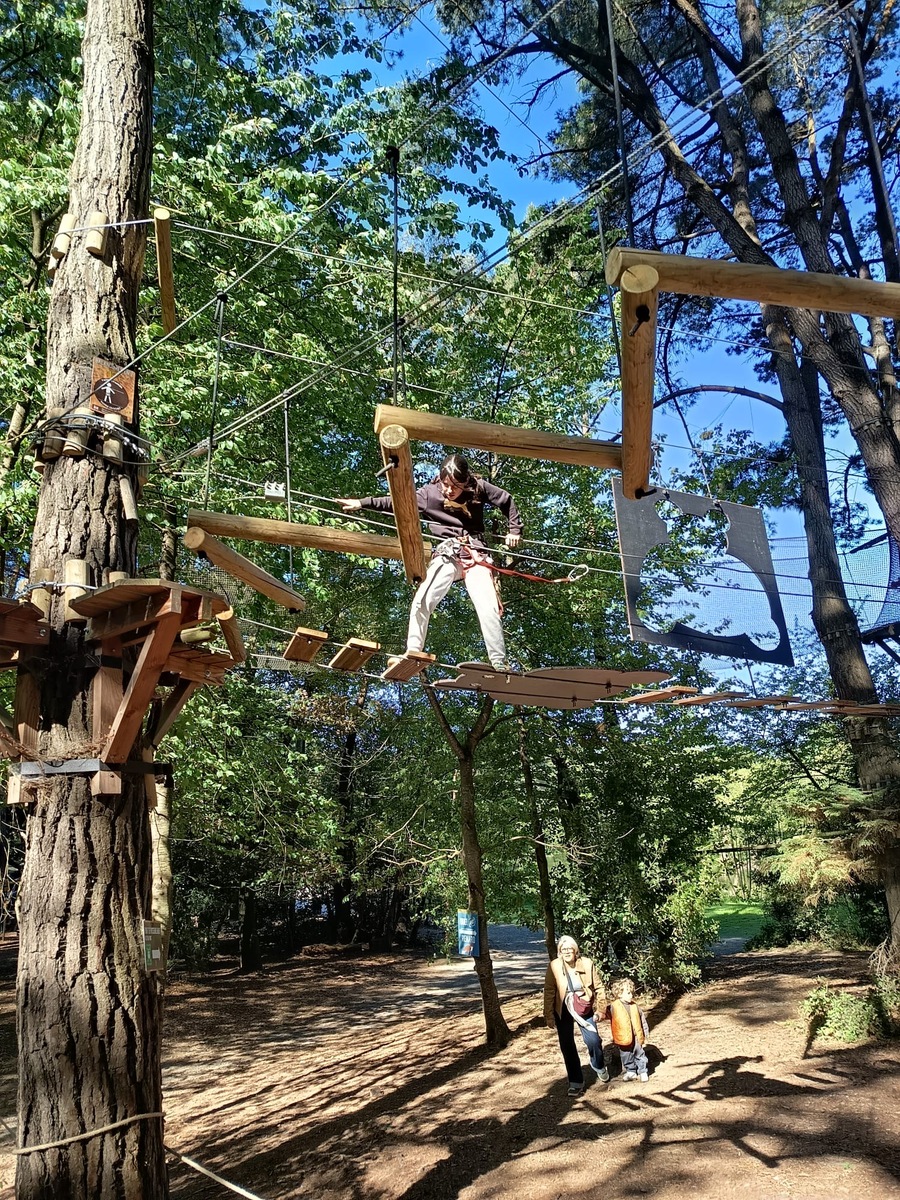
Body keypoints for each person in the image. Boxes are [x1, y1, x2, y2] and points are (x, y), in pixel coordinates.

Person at [337, 453, 522, 671]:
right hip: (448, 554)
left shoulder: (478, 488)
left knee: (488, 607)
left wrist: (515, 530)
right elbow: (395, 503)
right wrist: (362, 503)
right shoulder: (428, 494)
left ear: (465, 482)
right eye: (446, 484)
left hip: (476, 554)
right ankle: (413, 651)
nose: (449, 490)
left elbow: (506, 500)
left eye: (455, 487)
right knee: (423, 599)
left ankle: (499, 663)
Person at [543, 934, 609, 1097]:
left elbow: (599, 987)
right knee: (567, 1045)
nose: (566, 952)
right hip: (562, 1007)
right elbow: (549, 991)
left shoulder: (587, 963)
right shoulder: (554, 966)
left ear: (575, 950)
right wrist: (549, 1015)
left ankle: (598, 1065)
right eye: (563, 949)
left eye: (569, 949)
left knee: (593, 1040)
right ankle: (575, 1082)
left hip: (583, 1005)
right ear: (559, 951)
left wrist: (601, 1009)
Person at [605, 976, 650, 1082]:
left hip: (636, 1035)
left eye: (631, 993)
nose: (631, 995)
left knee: (640, 1053)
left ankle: (643, 1071)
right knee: (626, 1055)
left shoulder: (635, 1006)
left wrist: (645, 1032)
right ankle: (631, 1071)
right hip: (623, 1036)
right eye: (628, 993)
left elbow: (642, 1019)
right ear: (620, 993)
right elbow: (605, 1014)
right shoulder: (613, 1006)